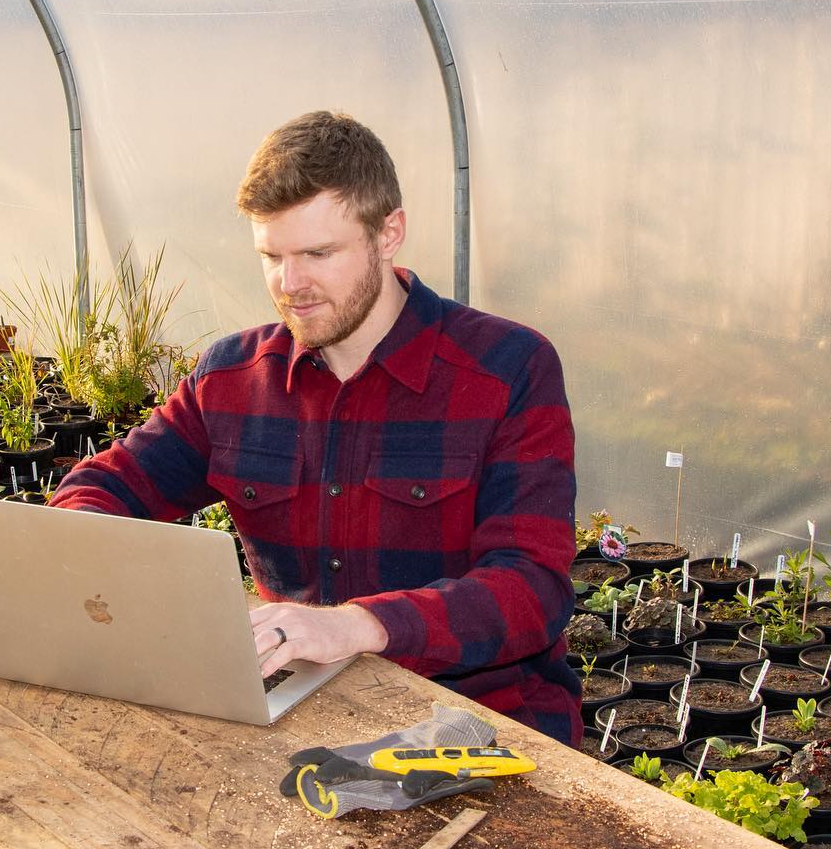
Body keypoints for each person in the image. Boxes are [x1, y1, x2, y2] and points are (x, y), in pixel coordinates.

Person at [47, 111, 580, 746]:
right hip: (298, 710)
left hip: (480, 723)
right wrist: (90, 549)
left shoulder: (506, 370)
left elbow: (531, 588)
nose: (289, 284)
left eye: (318, 254)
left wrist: (357, 626)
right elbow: (108, 487)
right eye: (270, 256)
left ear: (389, 234)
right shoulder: (233, 377)